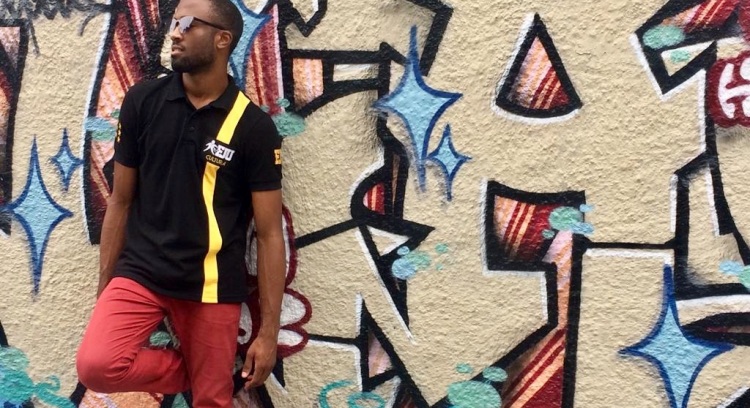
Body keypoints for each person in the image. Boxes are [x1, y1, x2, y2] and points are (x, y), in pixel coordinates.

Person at [75, 0, 286, 406]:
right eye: (174, 22)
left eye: (187, 24)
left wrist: (268, 333)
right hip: (141, 272)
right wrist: (106, 288)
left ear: (222, 39)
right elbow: (120, 201)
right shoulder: (143, 101)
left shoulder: (253, 127)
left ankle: (210, 377)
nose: (175, 32)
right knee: (97, 365)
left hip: (211, 283)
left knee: (211, 400)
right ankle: (199, 370)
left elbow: (269, 234)